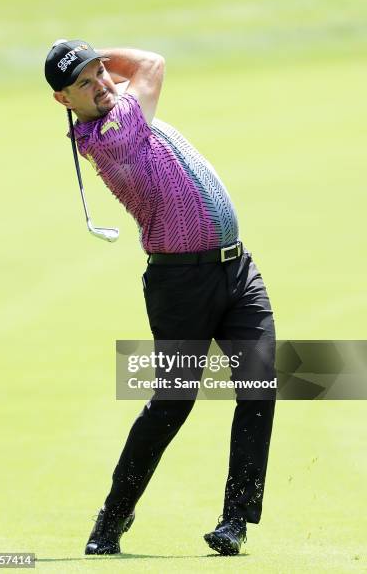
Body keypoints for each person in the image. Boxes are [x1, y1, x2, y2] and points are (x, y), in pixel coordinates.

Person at [44, 39, 276, 557]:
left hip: (237, 271)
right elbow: (150, 63)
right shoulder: (111, 135)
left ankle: (235, 519)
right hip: (180, 287)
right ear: (63, 101)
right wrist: (96, 52)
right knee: (173, 404)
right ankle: (113, 517)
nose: (101, 83)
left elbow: (126, 80)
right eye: (83, 82)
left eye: (101, 72)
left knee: (259, 386)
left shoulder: (116, 107)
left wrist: (85, 61)